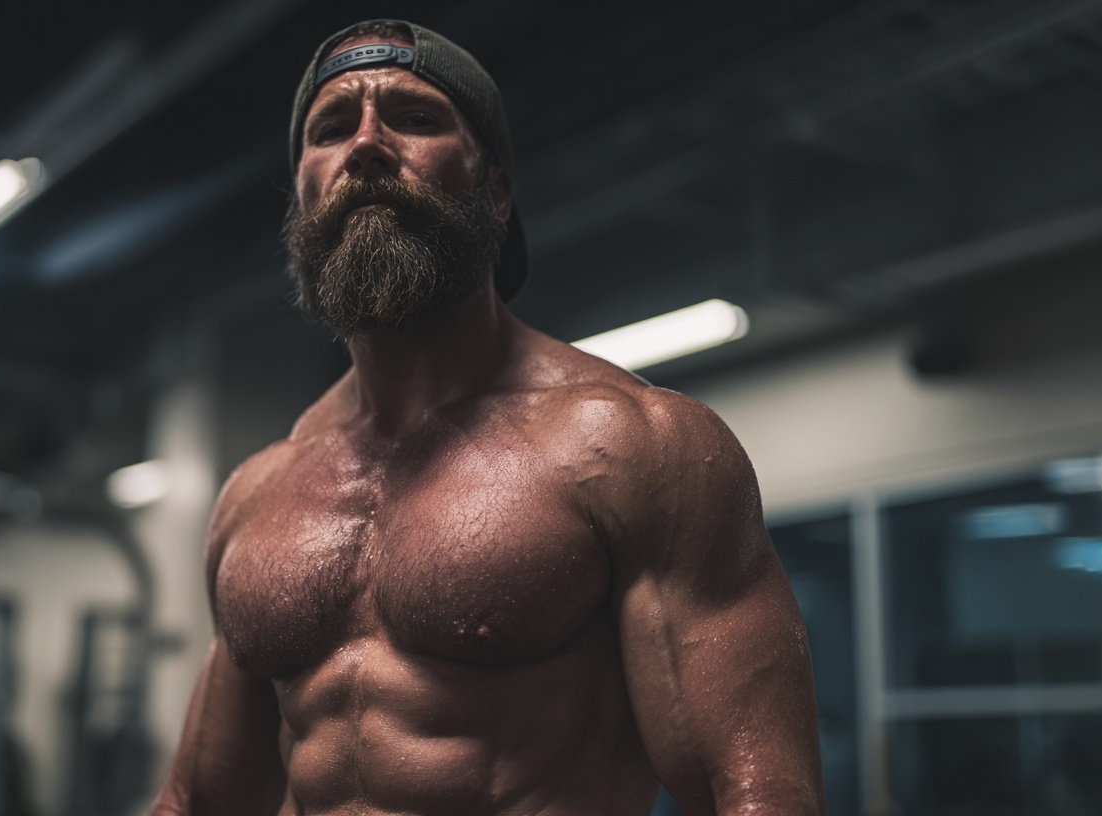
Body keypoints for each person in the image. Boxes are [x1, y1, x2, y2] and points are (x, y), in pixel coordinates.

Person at [153, 19, 826, 816]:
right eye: (330, 129)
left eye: (414, 117)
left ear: (496, 192)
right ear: (302, 192)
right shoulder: (256, 495)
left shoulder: (634, 446)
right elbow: (199, 800)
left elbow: (754, 793)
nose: (365, 145)